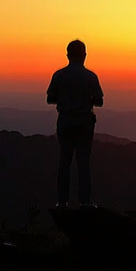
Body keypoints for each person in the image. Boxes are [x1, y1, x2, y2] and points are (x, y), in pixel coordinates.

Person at [46, 39, 104, 208]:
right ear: (84, 56)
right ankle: (84, 201)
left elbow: (50, 98)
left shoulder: (59, 75)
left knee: (64, 160)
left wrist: (64, 99)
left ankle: (62, 201)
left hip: (65, 120)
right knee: (83, 161)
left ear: (67, 55)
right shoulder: (91, 77)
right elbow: (99, 101)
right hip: (85, 121)